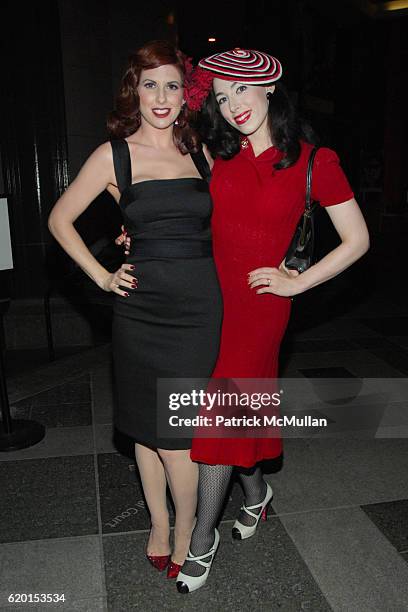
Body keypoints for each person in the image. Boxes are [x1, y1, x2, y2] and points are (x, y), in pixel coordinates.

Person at [170, 48, 369, 593]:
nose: (233, 105)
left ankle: (202, 540)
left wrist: (298, 282)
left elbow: (358, 239)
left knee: (217, 421)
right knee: (235, 416)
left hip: (260, 309)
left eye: (242, 90)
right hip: (208, 305)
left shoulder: (313, 161)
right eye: (222, 95)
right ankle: (257, 495)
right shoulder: (216, 154)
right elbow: (183, 212)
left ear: (269, 91)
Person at [48, 40, 222, 580]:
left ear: (184, 95)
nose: (162, 96)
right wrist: (102, 275)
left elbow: (212, 224)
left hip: (197, 308)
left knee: (177, 433)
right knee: (144, 429)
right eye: (151, 85)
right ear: (135, 92)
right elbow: (59, 220)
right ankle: (159, 524)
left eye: (172, 84)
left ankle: (192, 529)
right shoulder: (113, 155)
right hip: (140, 309)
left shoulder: (200, 153)